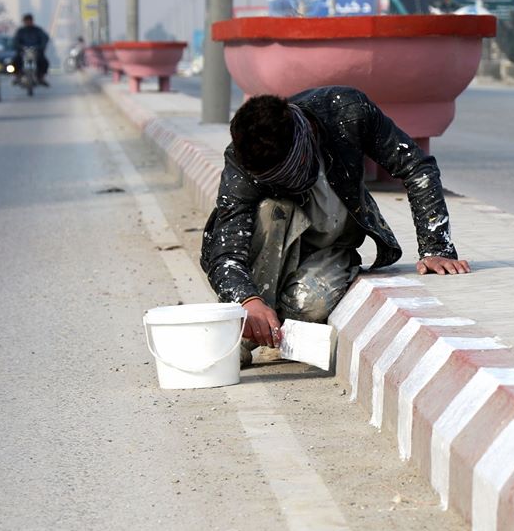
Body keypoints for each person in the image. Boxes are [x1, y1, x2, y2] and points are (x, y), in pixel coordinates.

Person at [200, 87, 470, 359]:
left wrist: (436, 247)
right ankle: (245, 333)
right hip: (276, 246)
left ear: (302, 149)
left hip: (331, 247)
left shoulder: (346, 111)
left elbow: (416, 166)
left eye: (284, 176)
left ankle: (274, 328)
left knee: (310, 306)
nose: (280, 184)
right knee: (272, 210)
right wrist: (247, 299)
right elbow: (226, 251)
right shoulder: (241, 160)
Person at [12, 13, 50, 86]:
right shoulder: (21, 31)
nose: (28, 22)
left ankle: (41, 77)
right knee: (15, 61)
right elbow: (15, 40)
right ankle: (17, 76)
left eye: (29, 20)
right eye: (26, 21)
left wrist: (41, 46)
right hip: (23, 52)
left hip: (36, 52)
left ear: (32, 21)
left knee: (44, 62)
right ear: (24, 22)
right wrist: (19, 47)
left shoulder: (38, 30)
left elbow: (45, 38)